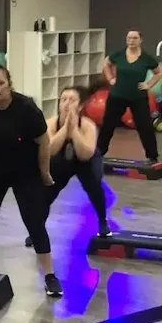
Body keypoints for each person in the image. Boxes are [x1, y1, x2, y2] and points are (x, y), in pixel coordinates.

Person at [0, 65, 61, 297]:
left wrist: (44, 173)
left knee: (35, 222)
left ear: (9, 84)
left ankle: (49, 275)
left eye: (0, 83)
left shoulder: (26, 108)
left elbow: (43, 141)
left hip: (25, 174)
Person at [27, 85, 108, 244]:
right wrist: (65, 129)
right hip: (60, 158)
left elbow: (85, 155)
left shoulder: (88, 126)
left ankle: (103, 222)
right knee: (46, 192)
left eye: (72, 100)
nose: (67, 104)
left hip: (85, 160)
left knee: (95, 187)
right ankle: (37, 230)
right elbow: (49, 151)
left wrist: (74, 130)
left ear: (80, 106)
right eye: (63, 100)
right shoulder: (50, 124)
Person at [98, 30, 162, 163]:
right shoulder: (118, 55)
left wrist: (148, 85)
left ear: (140, 40)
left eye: (134, 38)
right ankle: (99, 153)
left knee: (145, 126)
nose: (131, 41)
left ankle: (152, 156)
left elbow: (159, 72)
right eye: (129, 38)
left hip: (138, 97)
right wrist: (110, 79)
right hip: (117, 95)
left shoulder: (146, 58)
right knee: (107, 125)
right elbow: (106, 64)